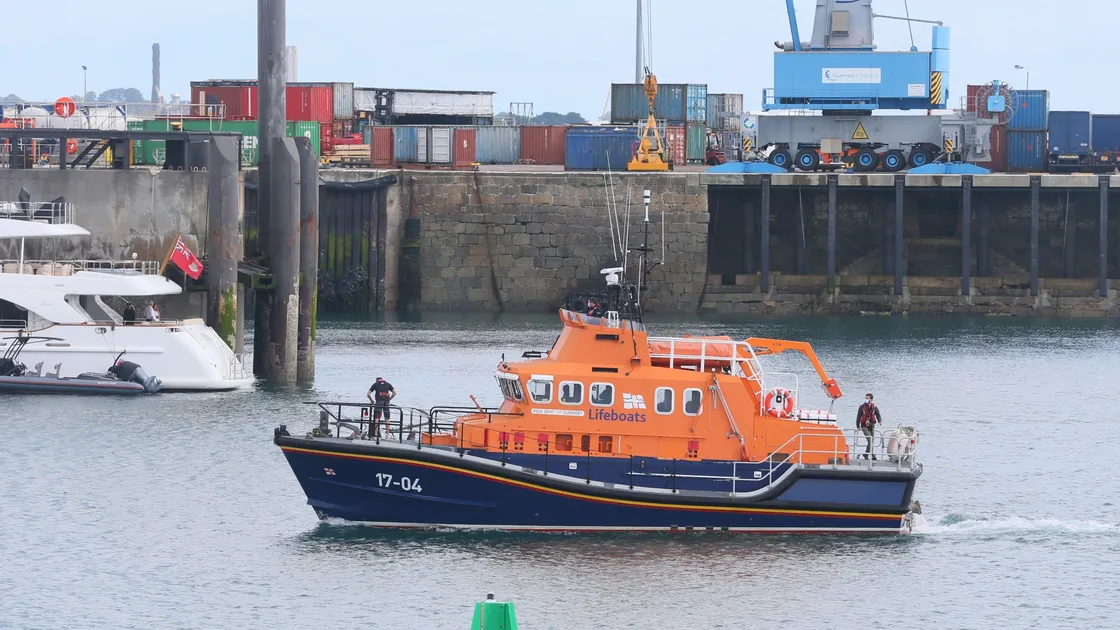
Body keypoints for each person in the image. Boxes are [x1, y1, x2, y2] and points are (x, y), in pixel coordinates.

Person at [856, 393, 883, 460]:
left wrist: (879, 421)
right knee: (870, 439)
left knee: (872, 441)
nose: (866, 400)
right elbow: (858, 416)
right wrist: (858, 426)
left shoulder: (874, 407)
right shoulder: (861, 407)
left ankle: (866, 454)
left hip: (872, 425)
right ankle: (872, 455)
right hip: (864, 425)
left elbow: (878, 414)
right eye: (865, 398)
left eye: (867, 398)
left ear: (871, 399)